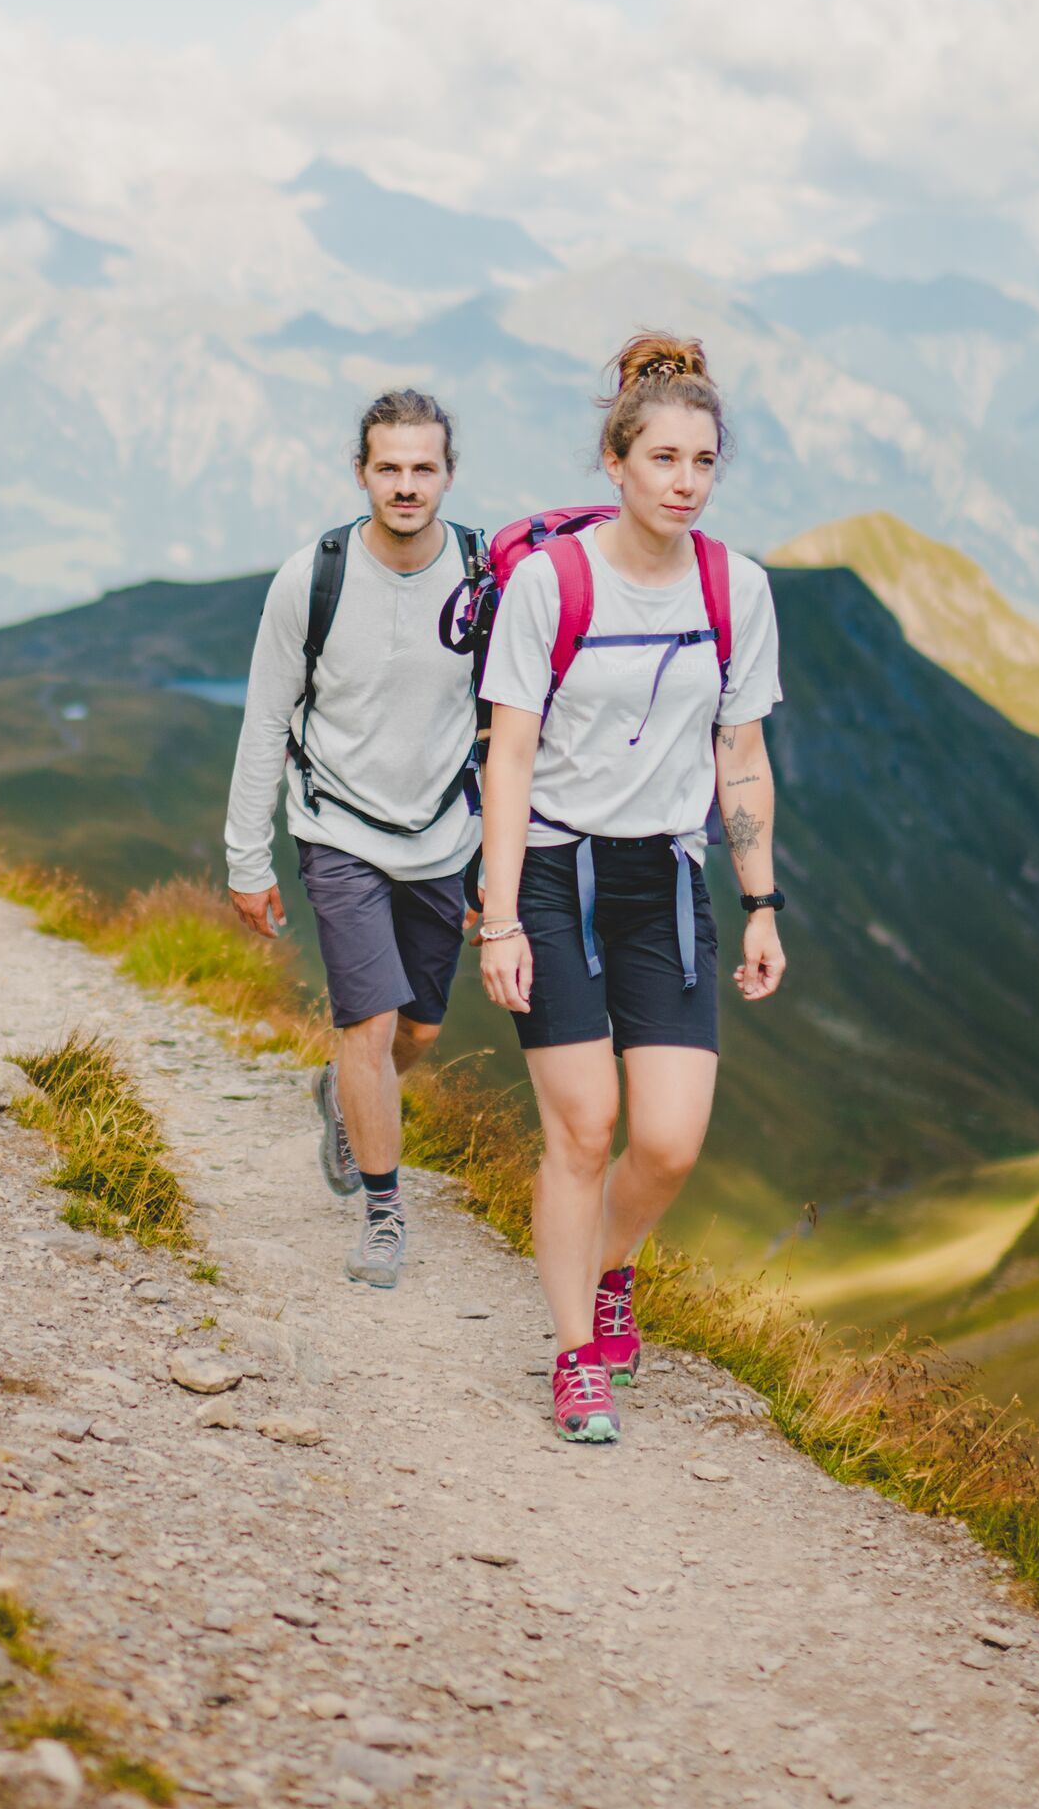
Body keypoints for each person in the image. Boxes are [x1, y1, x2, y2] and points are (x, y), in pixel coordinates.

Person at [474, 333, 787, 1445]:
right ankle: (574, 1354)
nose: (686, 482)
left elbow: (737, 752)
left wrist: (759, 903)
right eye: (664, 458)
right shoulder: (553, 584)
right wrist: (500, 918)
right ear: (616, 461)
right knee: (586, 1129)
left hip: (669, 876)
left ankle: (609, 1267)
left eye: (704, 462)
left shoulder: (733, 588)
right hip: (557, 874)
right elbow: (506, 757)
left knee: (668, 1143)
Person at [224, 389, 484, 1290]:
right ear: (361, 470)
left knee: (419, 1027)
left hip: (445, 837)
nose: (406, 485)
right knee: (367, 1023)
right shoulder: (314, 576)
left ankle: (345, 1094)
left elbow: (508, 724)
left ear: (449, 473)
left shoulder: (487, 578)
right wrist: (246, 859)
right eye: (389, 467)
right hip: (337, 829)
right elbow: (265, 720)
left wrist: (499, 856)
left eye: (423, 468)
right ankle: (383, 1209)